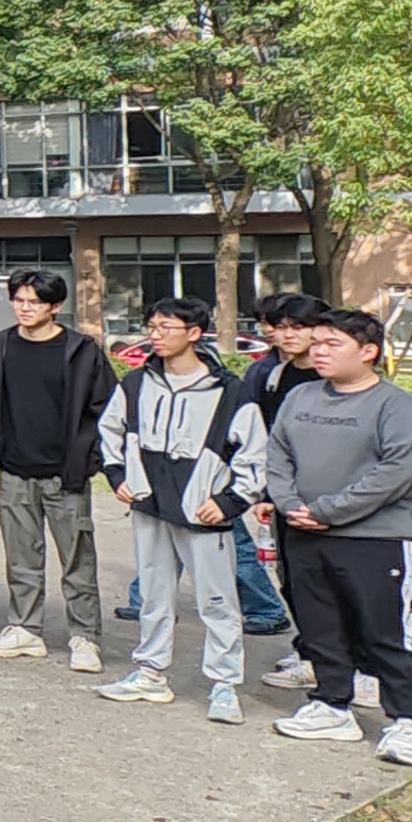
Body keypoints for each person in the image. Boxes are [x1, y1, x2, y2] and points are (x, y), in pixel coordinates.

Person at [246, 307, 412, 766]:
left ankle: (410, 721)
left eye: (332, 344)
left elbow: (393, 473)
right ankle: (332, 704)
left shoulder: (396, 407)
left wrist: (329, 511)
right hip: (303, 531)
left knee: (387, 631)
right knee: (320, 626)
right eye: (316, 342)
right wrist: (290, 504)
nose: (319, 351)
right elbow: (278, 454)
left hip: (376, 538)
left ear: (368, 351)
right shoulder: (301, 397)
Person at [97, 295, 248, 720]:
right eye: (152, 327)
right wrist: (117, 475)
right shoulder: (136, 383)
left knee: (217, 599)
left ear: (195, 333)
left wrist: (231, 501)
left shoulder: (228, 391)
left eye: (166, 328)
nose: (156, 335)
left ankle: (224, 684)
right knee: (154, 592)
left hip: (203, 509)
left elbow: (252, 451)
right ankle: (150, 671)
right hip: (150, 503)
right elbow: (109, 429)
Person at [0, 268, 115, 674]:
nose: (24, 308)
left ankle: (85, 636)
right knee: (21, 558)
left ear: (56, 306)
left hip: (65, 474)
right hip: (14, 470)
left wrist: (90, 458)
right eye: (18, 300)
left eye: (34, 302)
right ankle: (25, 628)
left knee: (78, 562)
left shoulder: (81, 351)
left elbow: (106, 408)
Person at [228, 294, 329, 683]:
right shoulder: (273, 375)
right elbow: (268, 439)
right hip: (285, 494)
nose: (286, 335)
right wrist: (267, 494)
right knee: (293, 578)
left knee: (331, 581)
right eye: (280, 327)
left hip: (329, 496)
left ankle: (345, 664)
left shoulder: (332, 377)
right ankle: (312, 653)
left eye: (297, 327)